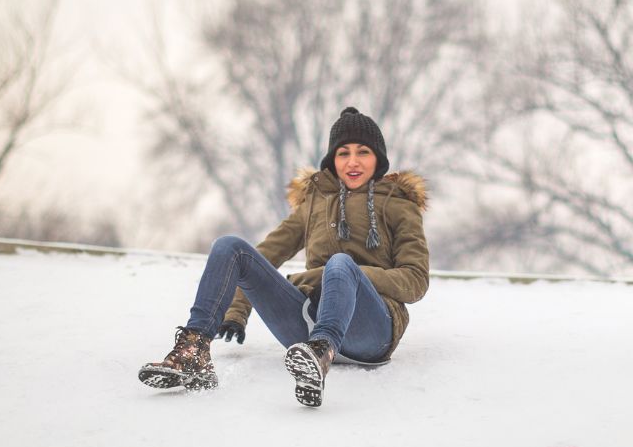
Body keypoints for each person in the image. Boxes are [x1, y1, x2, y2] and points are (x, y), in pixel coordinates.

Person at [139, 107, 429, 406]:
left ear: (378, 158)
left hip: (370, 331)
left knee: (340, 263)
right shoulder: (315, 203)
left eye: (363, 152)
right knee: (230, 246)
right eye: (343, 153)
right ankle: (194, 350)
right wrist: (237, 310)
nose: (352, 162)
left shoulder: (399, 206)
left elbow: (416, 281)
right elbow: (264, 255)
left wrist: (341, 275)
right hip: (304, 323)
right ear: (332, 159)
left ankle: (322, 351)